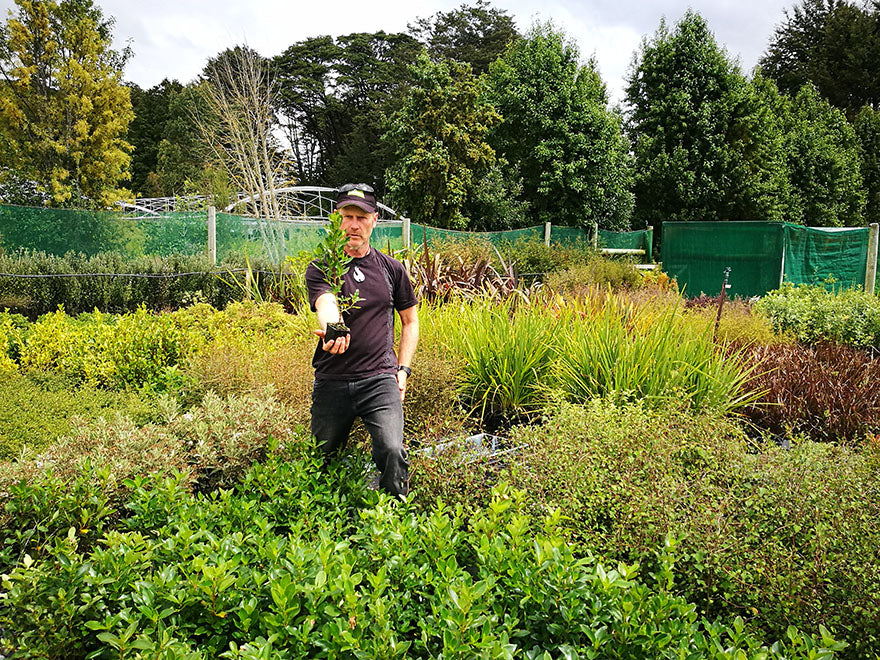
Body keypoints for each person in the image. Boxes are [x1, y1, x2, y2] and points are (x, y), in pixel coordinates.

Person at [305, 183, 419, 497]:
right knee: (321, 458)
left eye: (362, 217)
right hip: (333, 380)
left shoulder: (392, 269)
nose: (354, 225)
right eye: (347, 216)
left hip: (380, 380)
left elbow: (410, 322)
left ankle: (394, 514)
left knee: (392, 449)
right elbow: (326, 302)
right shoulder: (321, 267)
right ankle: (322, 517)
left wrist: (403, 370)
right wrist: (335, 329)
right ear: (336, 219)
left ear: (374, 220)